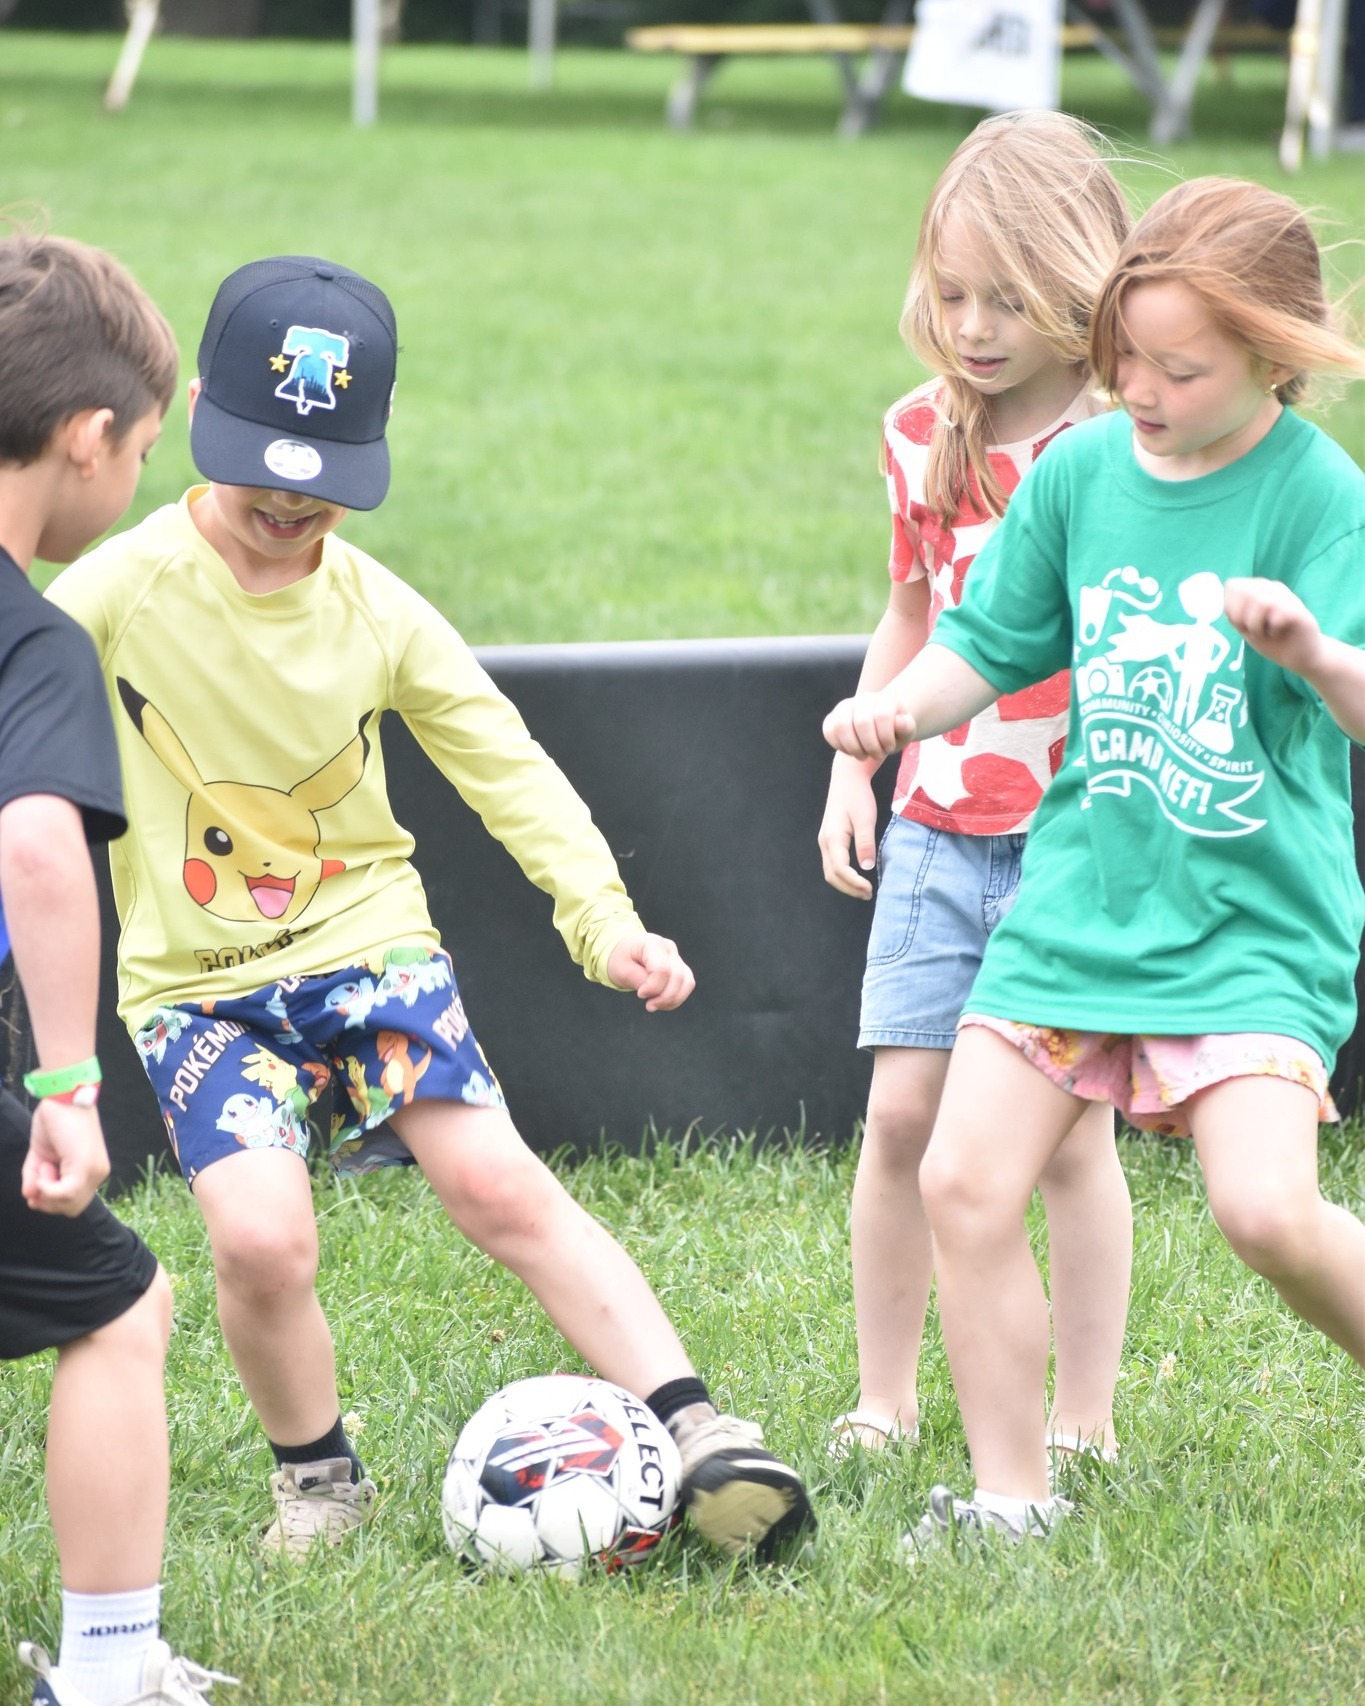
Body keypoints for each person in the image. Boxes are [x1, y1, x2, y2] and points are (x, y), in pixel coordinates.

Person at [47, 255, 813, 1565]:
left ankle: (693, 1425)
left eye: (322, 477)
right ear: (200, 431)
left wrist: (603, 918)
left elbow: (506, 766)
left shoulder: (378, 610)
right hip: (196, 987)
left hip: (365, 950)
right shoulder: (119, 589)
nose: (290, 501)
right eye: (263, 468)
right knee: (260, 1235)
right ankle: (319, 1472)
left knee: (497, 1182)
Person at [823, 176, 1365, 1546]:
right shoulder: (1075, 471)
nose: (1137, 387)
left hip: (1249, 924)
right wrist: (898, 713)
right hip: (1078, 906)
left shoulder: (1317, 494)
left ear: (1274, 357)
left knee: (1262, 1210)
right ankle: (1012, 1498)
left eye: (1178, 368)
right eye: (1125, 355)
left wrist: (1306, 650)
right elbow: (987, 642)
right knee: (958, 1177)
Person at [818, 111, 1133, 1465]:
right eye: (950, 292)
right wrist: (855, 760)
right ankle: (883, 1400)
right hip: (939, 820)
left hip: (1072, 841)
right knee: (899, 1113)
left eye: (1008, 297)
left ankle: (1083, 1416)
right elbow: (907, 613)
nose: (974, 324)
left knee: (1063, 1143)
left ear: (1083, 292)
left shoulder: (1125, 445)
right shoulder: (915, 432)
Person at [0, 234, 235, 1705]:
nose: (137, 473)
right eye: (145, 448)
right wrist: (71, 1085)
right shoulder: (32, 644)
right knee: (119, 1302)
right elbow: (36, 847)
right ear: (89, 439)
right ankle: (108, 1667)